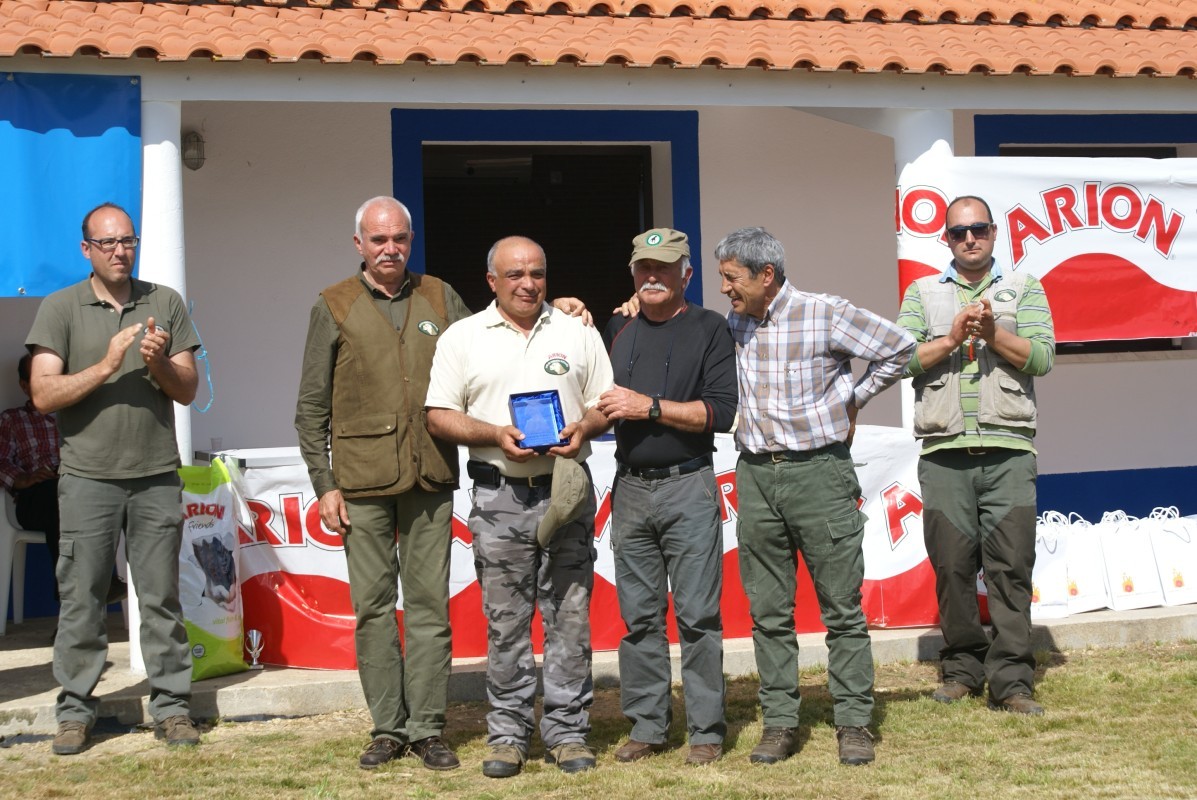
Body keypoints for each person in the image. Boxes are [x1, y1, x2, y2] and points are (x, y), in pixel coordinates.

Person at [716, 226, 914, 767]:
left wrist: (854, 399)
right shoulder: (733, 323)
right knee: (768, 611)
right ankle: (780, 722)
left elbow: (899, 348)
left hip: (820, 474)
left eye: (732, 278)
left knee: (841, 609)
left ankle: (853, 722)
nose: (725, 289)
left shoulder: (825, 313)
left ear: (766, 275)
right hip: (756, 475)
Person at [425, 236, 612, 778]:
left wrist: (585, 428)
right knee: (506, 623)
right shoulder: (463, 338)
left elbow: (605, 402)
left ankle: (567, 732)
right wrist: (494, 434)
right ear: (492, 281)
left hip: (566, 491)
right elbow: (438, 414)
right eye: (514, 275)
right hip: (499, 496)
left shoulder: (577, 330)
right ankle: (508, 735)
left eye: (537, 273)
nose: (528, 284)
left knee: (569, 616)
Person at [295, 196, 468, 772]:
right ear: (359, 244)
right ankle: (388, 728)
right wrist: (324, 483)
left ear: (410, 240)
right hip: (360, 483)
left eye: (399, 238)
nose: (390, 249)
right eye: (378, 239)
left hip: (430, 473)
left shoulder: (440, 296)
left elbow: (486, 350)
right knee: (372, 608)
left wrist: (561, 311)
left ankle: (427, 729)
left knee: (429, 608)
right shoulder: (333, 304)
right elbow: (311, 407)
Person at [26, 202, 202, 755]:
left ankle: (172, 708)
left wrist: (158, 363)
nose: (120, 251)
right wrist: (106, 366)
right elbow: (42, 394)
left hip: (155, 476)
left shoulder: (163, 302)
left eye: (128, 241)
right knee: (81, 601)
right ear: (87, 250)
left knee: (161, 599)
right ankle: (75, 712)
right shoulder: (60, 307)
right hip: (88, 479)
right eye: (107, 243)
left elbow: (188, 389)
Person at [896, 195, 1055, 716]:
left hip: (1009, 451)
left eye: (979, 229)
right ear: (946, 239)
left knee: (1011, 567)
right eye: (959, 232)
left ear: (993, 234)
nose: (970, 238)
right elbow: (902, 360)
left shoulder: (1025, 288)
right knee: (952, 566)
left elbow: (1042, 358)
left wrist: (993, 333)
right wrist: (951, 338)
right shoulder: (922, 292)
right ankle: (962, 668)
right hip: (944, 453)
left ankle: (1011, 680)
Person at [596, 228, 737, 766]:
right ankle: (647, 726)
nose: (652, 276)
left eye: (664, 267)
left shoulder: (710, 328)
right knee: (639, 618)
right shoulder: (618, 327)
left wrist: (649, 407)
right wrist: (568, 307)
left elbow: (721, 412)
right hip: (630, 486)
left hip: (688, 484)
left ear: (686, 273)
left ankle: (706, 730)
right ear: (633, 273)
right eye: (644, 268)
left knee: (699, 617)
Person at [1, 354, 62, 594]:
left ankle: (78, 594)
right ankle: (73, 592)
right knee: (59, 497)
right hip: (38, 496)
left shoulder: (77, 416)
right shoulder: (13, 419)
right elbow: (1, 460)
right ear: (25, 385)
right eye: (40, 378)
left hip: (79, 490)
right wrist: (22, 478)